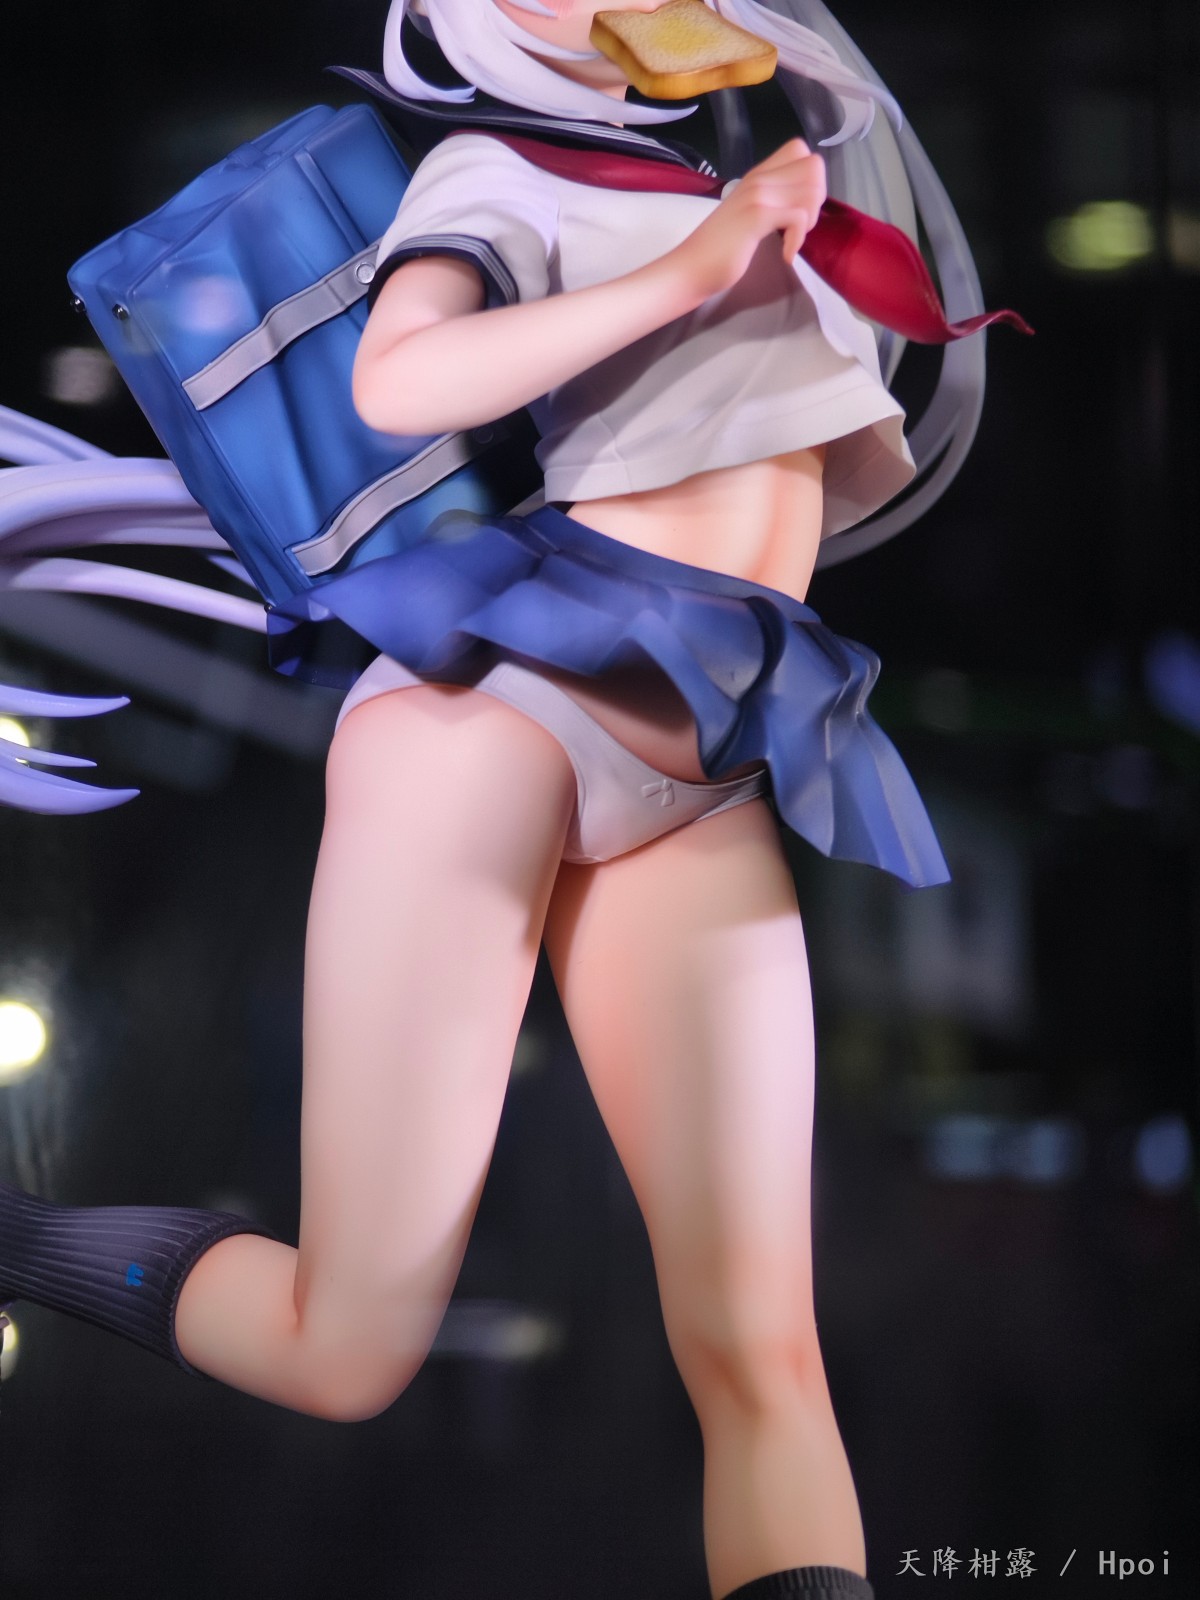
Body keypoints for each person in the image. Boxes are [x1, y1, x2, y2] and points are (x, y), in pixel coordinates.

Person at [0, 3, 1023, 1596]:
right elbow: (404, 379)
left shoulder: (712, 175)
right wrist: (696, 269)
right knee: (347, 1348)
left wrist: (742, 228)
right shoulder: (498, 170)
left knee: (764, 1353)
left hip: (703, 756)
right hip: (503, 716)